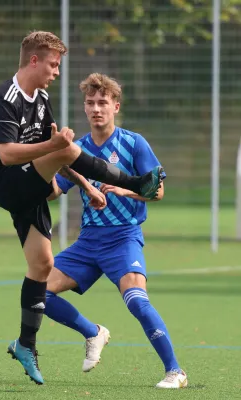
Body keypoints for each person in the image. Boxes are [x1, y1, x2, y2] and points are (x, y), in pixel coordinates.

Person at [0, 32, 163, 385]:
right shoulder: (4, 99)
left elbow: (53, 153)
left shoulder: (41, 98)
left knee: (42, 265)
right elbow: (6, 154)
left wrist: (86, 185)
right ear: (34, 60)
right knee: (65, 148)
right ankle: (135, 182)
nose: (56, 71)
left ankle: (26, 344)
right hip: (5, 181)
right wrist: (55, 147)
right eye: (53, 64)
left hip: (29, 187)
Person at [45, 73, 188, 389]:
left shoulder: (134, 143)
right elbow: (55, 190)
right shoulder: (76, 149)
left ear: (115, 106)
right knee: (38, 295)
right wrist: (33, 172)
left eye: (103, 103)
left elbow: (158, 192)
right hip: (88, 242)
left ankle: (175, 372)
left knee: (137, 301)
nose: (96, 109)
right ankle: (93, 332)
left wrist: (128, 191)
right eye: (91, 103)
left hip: (123, 237)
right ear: (84, 108)